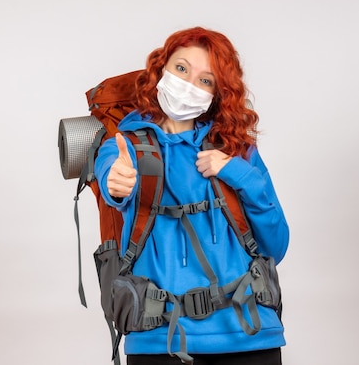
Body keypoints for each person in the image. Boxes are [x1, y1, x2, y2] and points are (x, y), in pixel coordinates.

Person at [94, 27, 289, 365]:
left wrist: (237, 172)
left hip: (250, 334)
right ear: (160, 69)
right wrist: (117, 182)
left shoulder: (236, 150)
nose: (188, 85)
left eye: (206, 80)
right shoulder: (124, 146)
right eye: (181, 69)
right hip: (159, 339)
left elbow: (276, 246)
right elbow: (112, 173)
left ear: (218, 93)